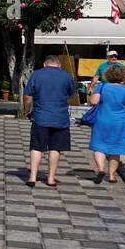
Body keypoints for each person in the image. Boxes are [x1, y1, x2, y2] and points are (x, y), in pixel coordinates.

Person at [23, 54, 77, 188]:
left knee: (36, 147)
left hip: (40, 117)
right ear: (59, 65)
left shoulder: (36, 75)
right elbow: (72, 95)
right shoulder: (67, 76)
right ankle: (51, 178)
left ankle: (33, 177)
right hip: (60, 118)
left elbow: (27, 96)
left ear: (44, 64)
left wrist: (27, 110)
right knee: (55, 148)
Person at [89, 63, 125, 183]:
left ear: (107, 75)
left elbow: (93, 101)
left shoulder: (102, 87)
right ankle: (111, 175)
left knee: (99, 146)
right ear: (123, 76)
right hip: (119, 122)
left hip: (102, 120)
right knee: (116, 149)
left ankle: (101, 169)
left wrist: (92, 92)